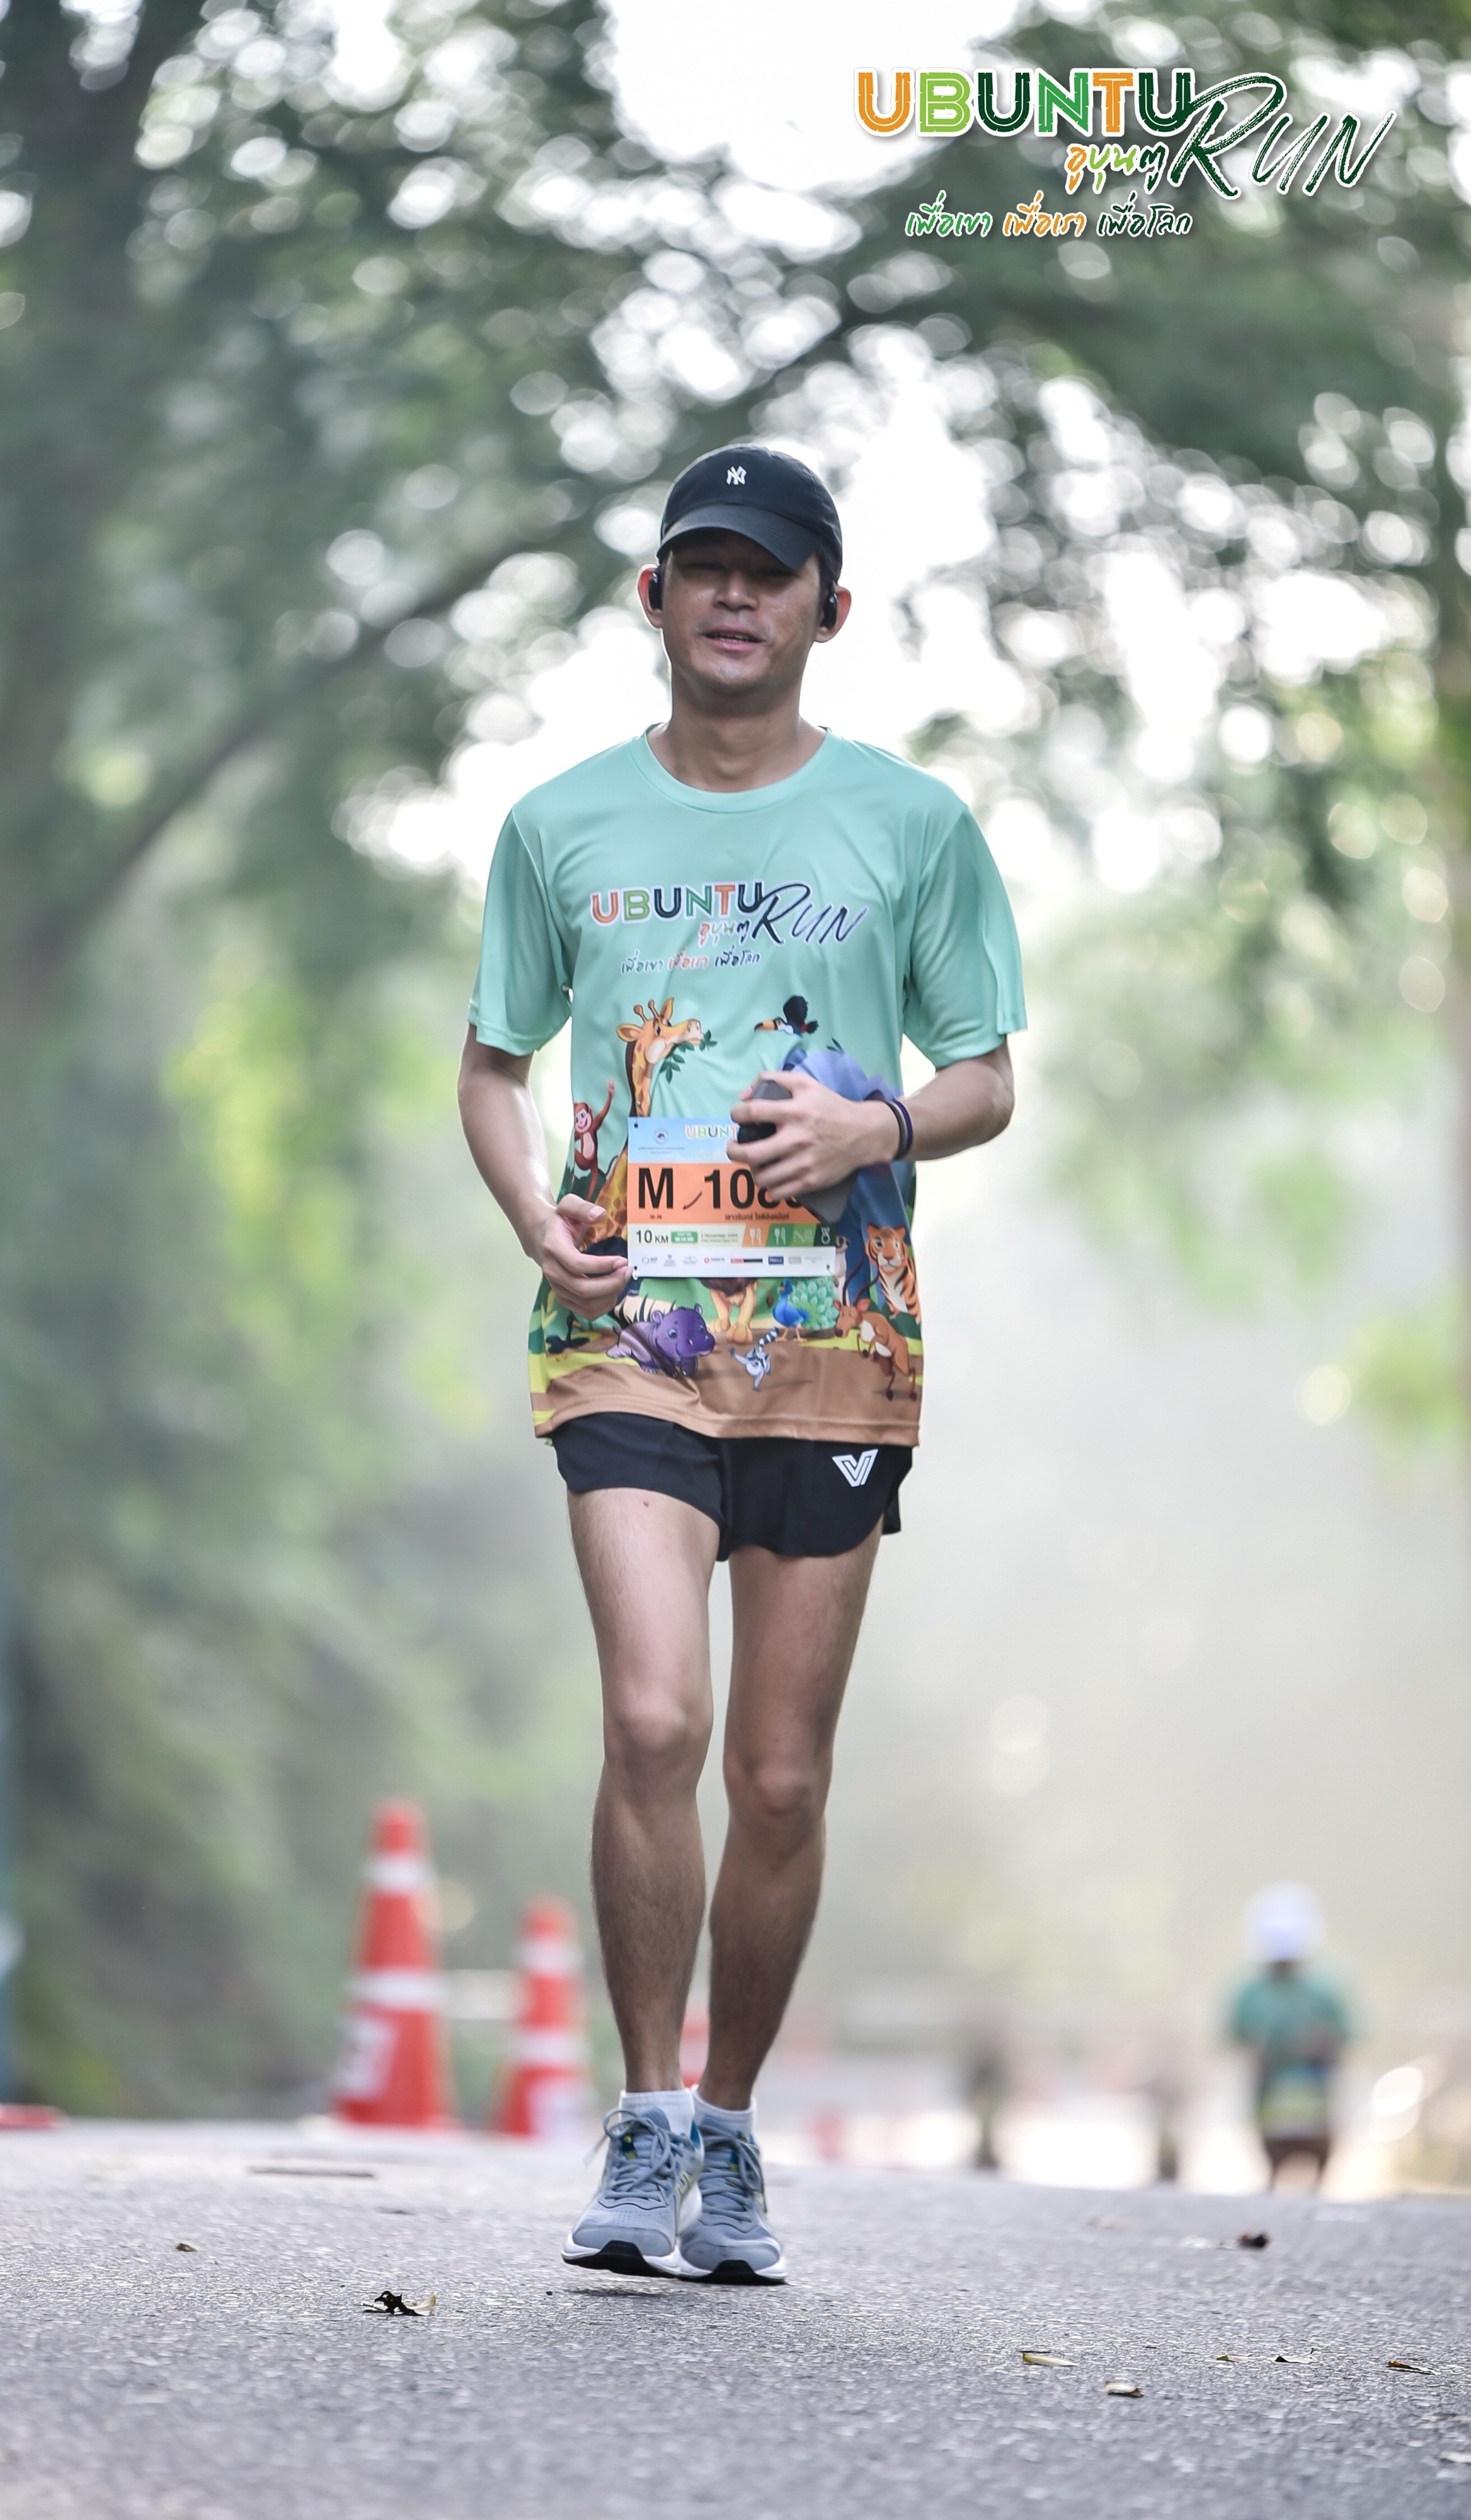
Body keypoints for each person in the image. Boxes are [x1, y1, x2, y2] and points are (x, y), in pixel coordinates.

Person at [458, 445, 1024, 2281]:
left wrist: (878, 1130)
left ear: (823, 611)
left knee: (777, 1773)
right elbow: (491, 1063)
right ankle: (638, 2119)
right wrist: (532, 1214)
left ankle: (725, 2124)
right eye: (700, 565)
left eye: (766, 572)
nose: (730, 594)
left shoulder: (909, 824)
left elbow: (984, 1074)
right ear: (652, 597)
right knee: (653, 1720)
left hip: (834, 1337)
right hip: (626, 1328)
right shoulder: (558, 824)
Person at [1227, 1883, 1352, 2189]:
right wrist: (1261, 2050)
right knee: (1274, 2157)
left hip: (1315, 2093)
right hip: (1270, 2093)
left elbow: (1345, 2037)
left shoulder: (1324, 1989)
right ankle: (1272, 2180)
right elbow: (1236, 2037)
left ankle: (1319, 2186)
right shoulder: (1251, 1992)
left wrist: (1320, 2046)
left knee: (1318, 2157)